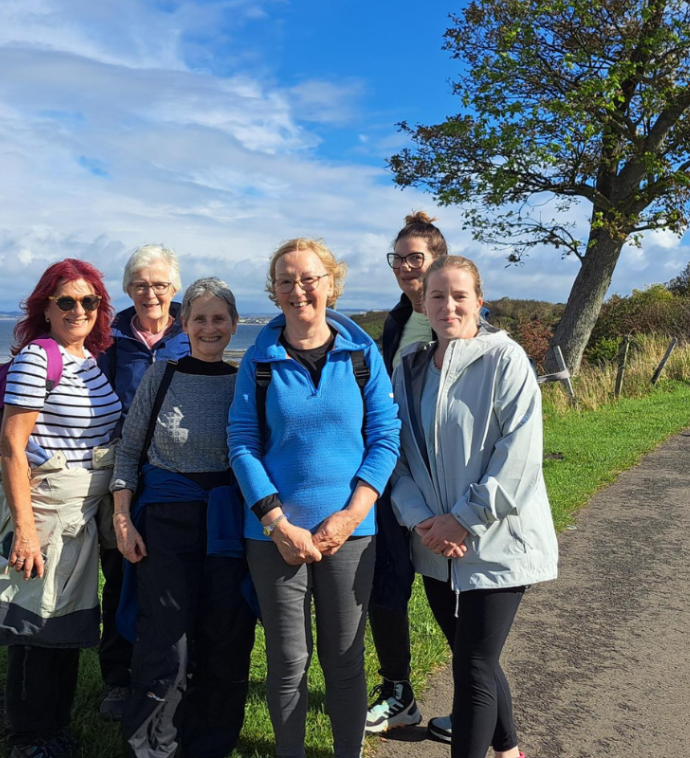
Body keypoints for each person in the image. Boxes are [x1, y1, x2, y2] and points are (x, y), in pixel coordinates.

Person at [228, 237, 401, 758]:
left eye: (309, 278)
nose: (298, 289)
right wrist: (277, 522)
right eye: (286, 280)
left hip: (351, 534)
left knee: (345, 660)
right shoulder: (258, 362)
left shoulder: (363, 355)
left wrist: (351, 515)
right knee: (287, 661)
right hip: (274, 536)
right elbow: (241, 442)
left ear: (331, 284)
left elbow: (386, 436)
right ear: (274, 291)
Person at [389, 255, 559, 758]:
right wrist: (422, 519)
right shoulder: (411, 367)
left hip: (497, 543)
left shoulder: (504, 360)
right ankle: (508, 752)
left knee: (474, 666)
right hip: (435, 546)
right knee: (473, 657)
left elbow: (519, 456)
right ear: (424, 303)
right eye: (437, 296)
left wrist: (462, 520)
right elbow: (396, 456)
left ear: (479, 302)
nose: (448, 305)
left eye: (460, 295)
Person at [0, 259, 123, 758]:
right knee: (33, 623)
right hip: (45, 509)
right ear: (46, 306)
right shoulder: (40, 358)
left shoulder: (86, 357)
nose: (78, 309)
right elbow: (13, 445)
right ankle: (30, 737)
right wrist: (24, 531)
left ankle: (53, 727)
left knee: (64, 618)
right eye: (66, 301)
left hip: (78, 510)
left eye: (89, 301)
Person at [109, 277, 257, 758]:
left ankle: (209, 744)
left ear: (233, 325)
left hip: (228, 527)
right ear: (184, 324)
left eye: (219, 319)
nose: (209, 327)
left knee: (225, 635)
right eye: (200, 318)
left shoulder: (245, 383)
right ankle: (153, 745)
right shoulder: (163, 376)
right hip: (165, 523)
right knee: (165, 641)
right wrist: (122, 518)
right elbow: (129, 452)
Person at [96, 245, 191, 720]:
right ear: (127, 289)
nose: (150, 293)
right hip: (124, 469)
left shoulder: (191, 331)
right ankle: (118, 677)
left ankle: (180, 673)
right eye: (139, 285)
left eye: (159, 285)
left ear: (175, 289)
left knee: (173, 575)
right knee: (119, 572)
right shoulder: (110, 338)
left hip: (179, 471)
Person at [367, 211, 451, 737]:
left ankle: (482, 703)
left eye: (414, 258)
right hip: (393, 469)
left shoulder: (461, 317)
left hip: (444, 478)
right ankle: (398, 691)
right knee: (387, 583)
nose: (404, 267)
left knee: (452, 598)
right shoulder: (398, 320)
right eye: (398, 258)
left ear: (438, 261)